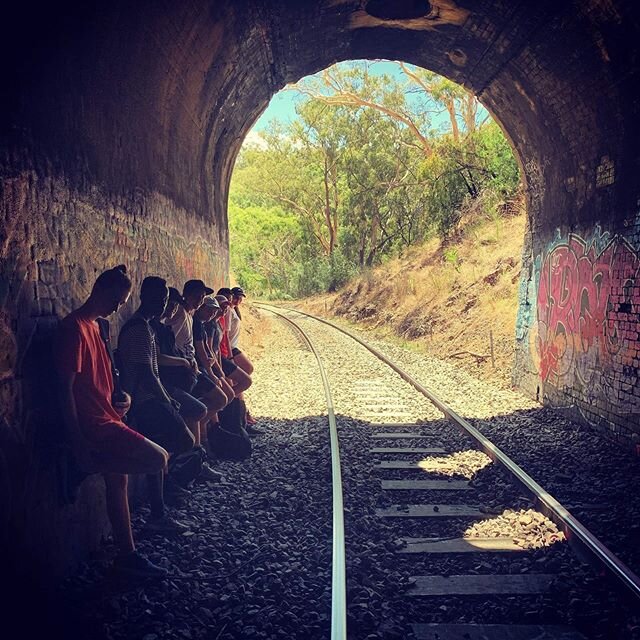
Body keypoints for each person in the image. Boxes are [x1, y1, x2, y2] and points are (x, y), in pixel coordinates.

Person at [55, 265, 168, 578]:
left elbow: (105, 379)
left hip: (110, 415)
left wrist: (125, 399)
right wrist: (78, 443)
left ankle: (126, 555)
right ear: (100, 290)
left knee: (118, 483)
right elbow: (64, 392)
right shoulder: (73, 329)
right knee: (158, 459)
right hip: (95, 425)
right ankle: (85, 464)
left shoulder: (98, 327)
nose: (119, 307)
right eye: (117, 300)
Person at [117, 277, 196, 531]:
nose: (162, 303)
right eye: (157, 298)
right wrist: (168, 400)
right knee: (184, 441)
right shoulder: (139, 329)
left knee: (158, 456)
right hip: (146, 402)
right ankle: (166, 493)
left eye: (164, 299)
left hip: (149, 400)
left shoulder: (148, 327)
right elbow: (147, 375)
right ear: (143, 297)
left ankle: (158, 511)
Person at [228, 286, 257, 426]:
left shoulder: (234, 310)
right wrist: (229, 356)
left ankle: (242, 412)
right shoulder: (227, 311)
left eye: (240, 297)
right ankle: (234, 405)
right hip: (230, 349)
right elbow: (225, 336)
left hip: (233, 347)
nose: (238, 299)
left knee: (244, 375)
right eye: (236, 296)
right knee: (247, 370)